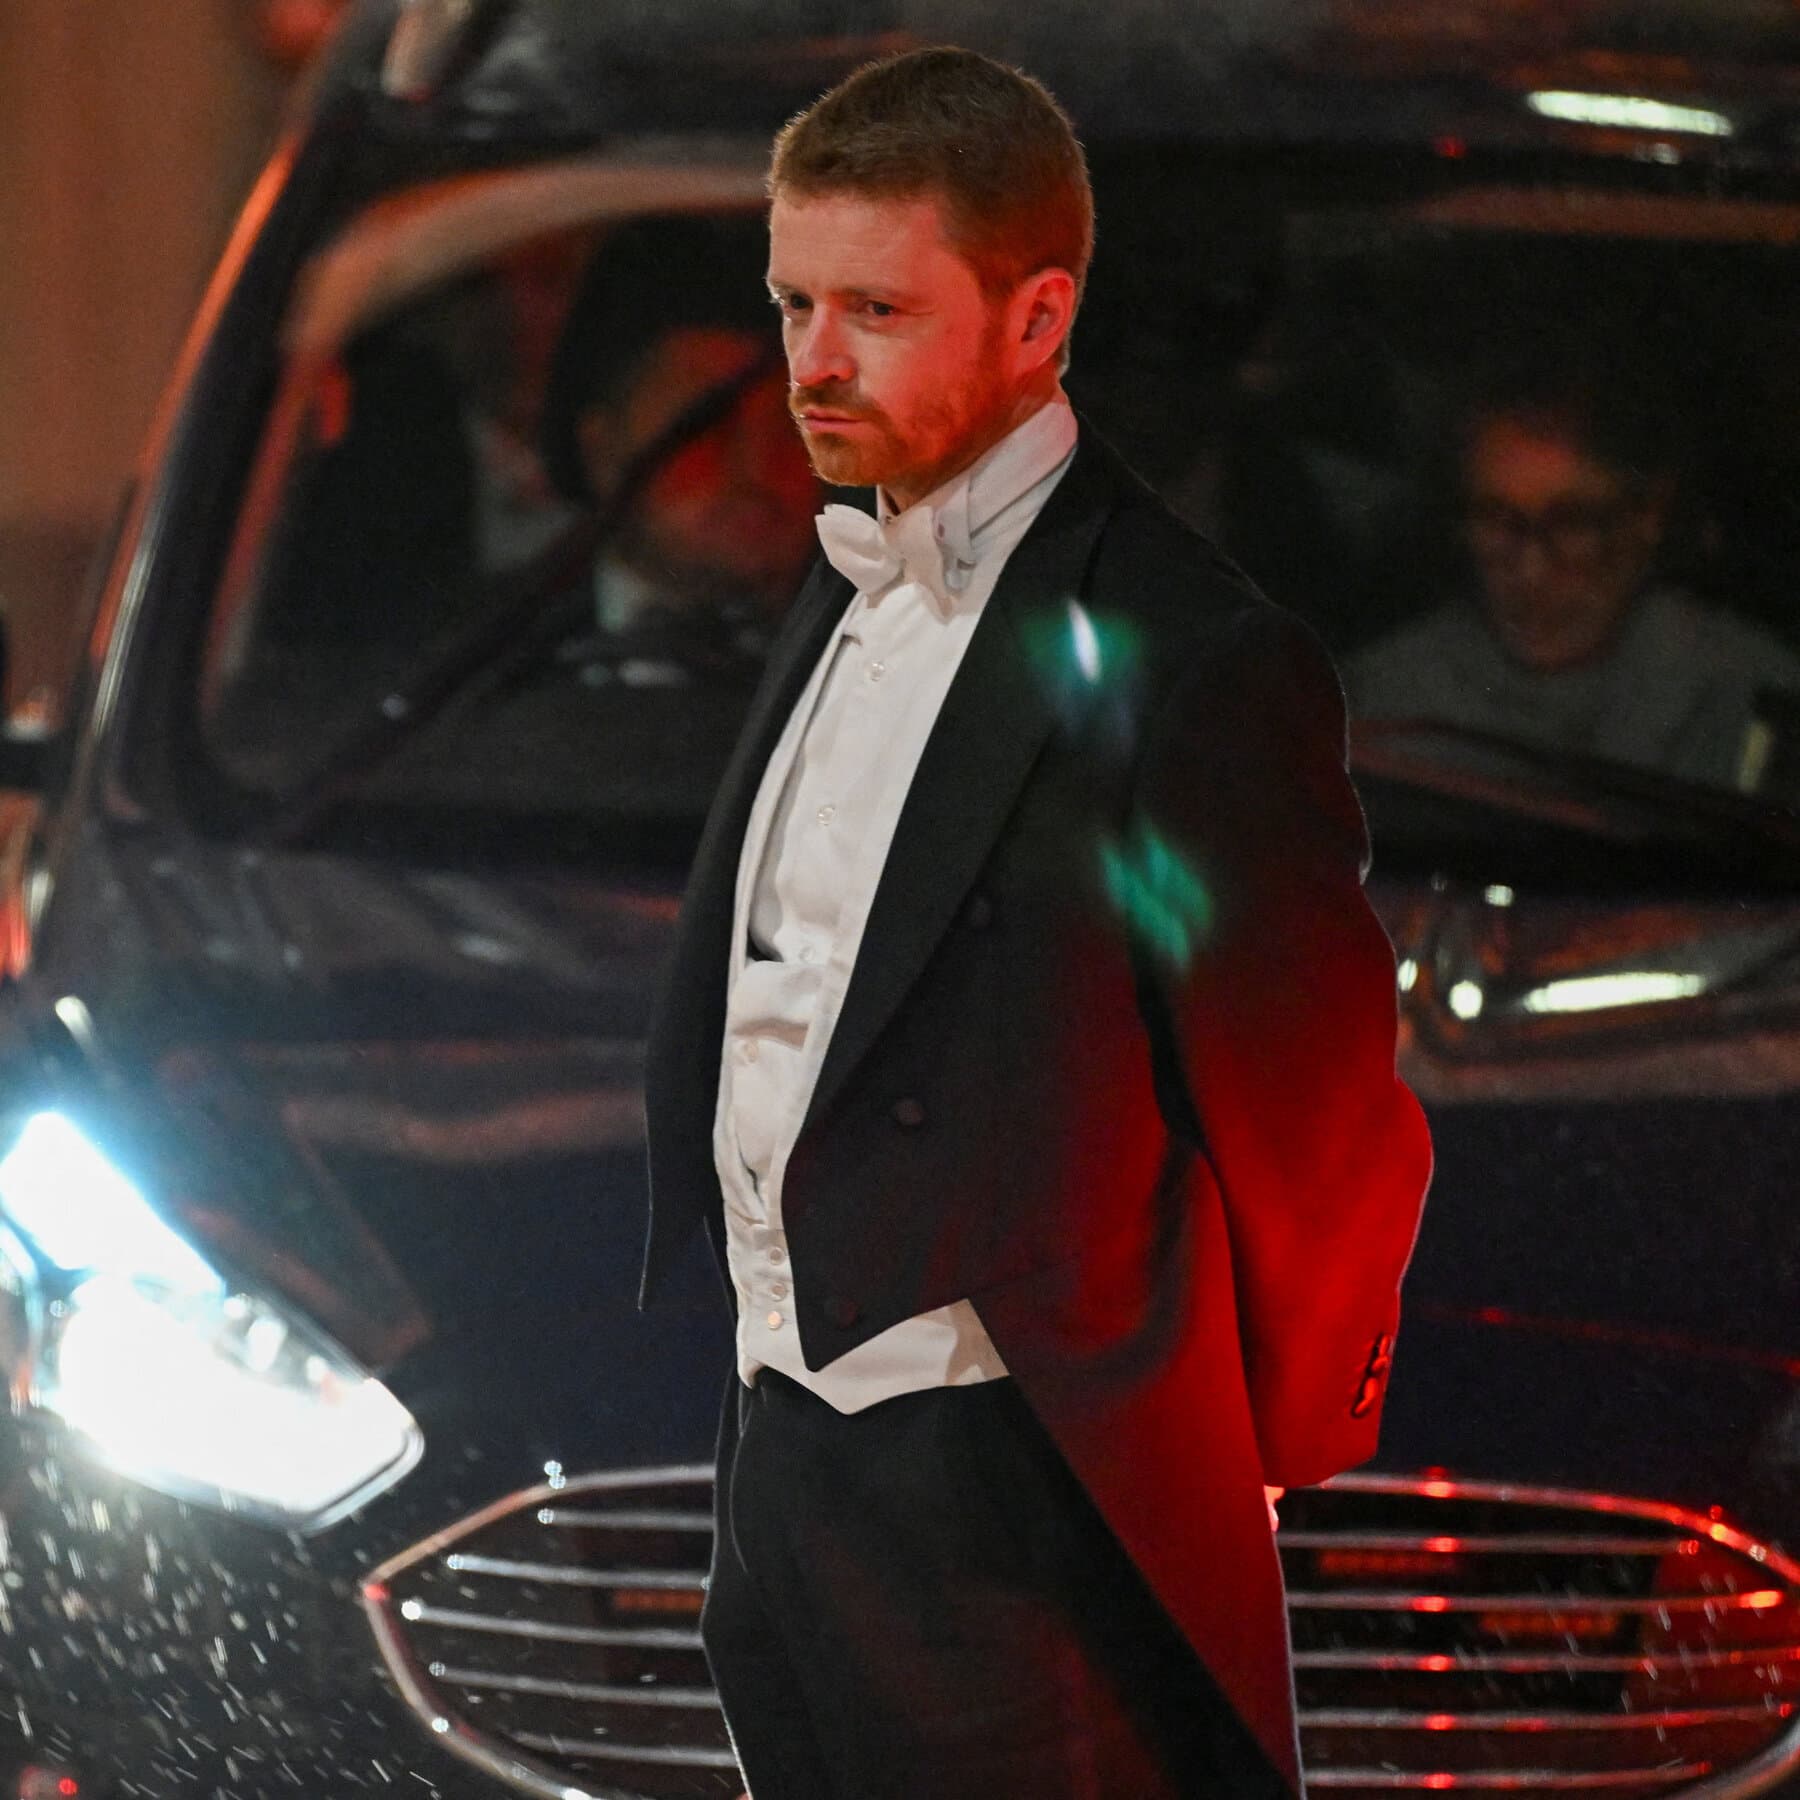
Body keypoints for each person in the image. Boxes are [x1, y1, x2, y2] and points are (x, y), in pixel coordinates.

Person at [638, 46, 1432, 1800]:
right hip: (785, 1441)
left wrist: (1264, 1439)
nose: (814, 363)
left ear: (1035, 313)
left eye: (875, 309)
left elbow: (1309, 1099)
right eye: (791, 303)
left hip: (1013, 1487)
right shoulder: (845, 572)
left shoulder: (1185, 651)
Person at [1346, 371, 1800, 789]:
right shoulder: (1378, 701)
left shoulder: (1755, 705)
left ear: (1650, 513)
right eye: (1496, 519)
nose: (1531, 569)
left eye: (1572, 523)